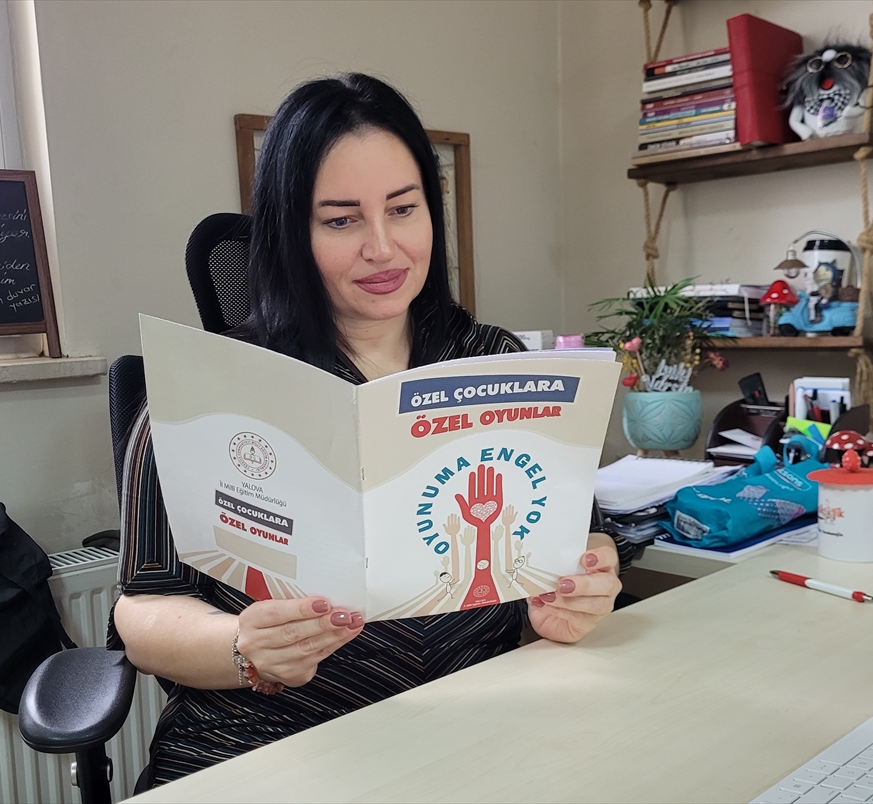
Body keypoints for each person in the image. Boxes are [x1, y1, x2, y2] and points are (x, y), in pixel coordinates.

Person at [111, 73, 628, 787]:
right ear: (291, 232)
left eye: (403, 209)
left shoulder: (496, 361)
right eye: (341, 220)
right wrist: (241, 644)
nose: (384, 248)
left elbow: (581, 538)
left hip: (475, 715)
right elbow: (144, 607)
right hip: (265, 738)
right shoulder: (207, 389)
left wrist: (582, 587)